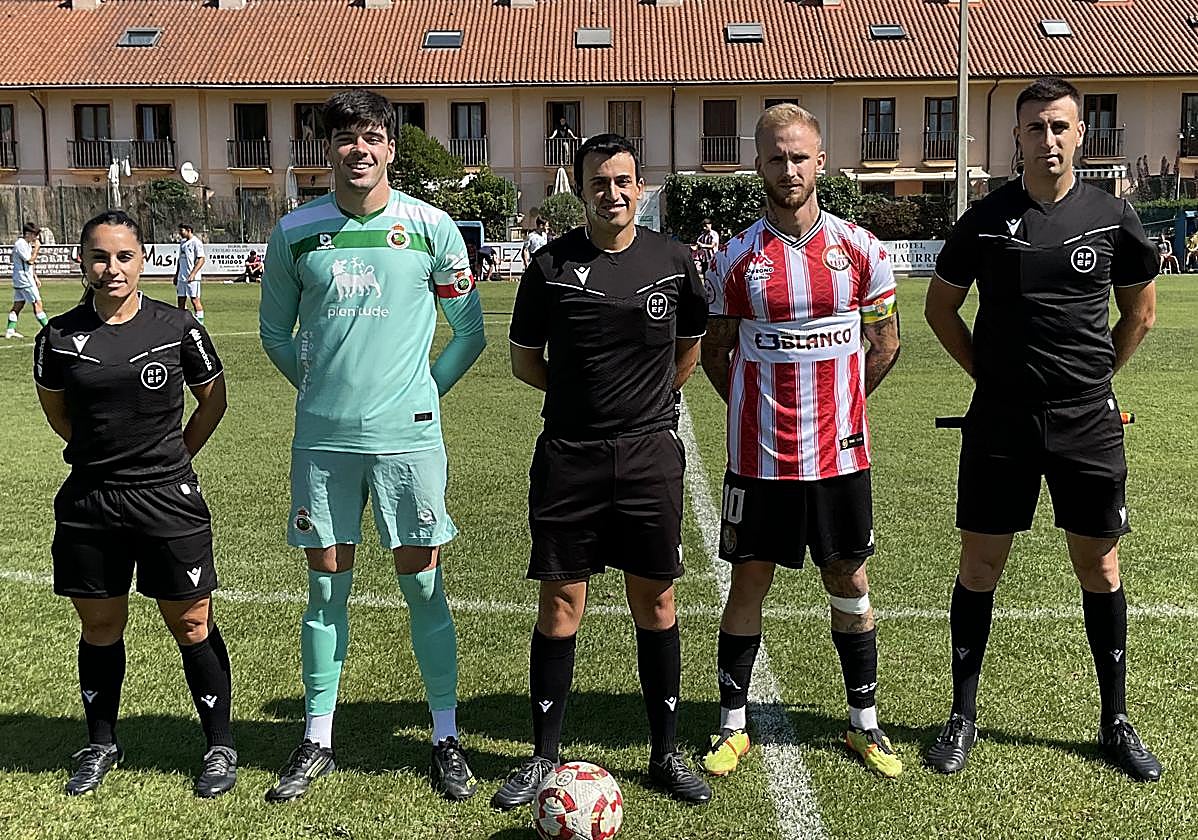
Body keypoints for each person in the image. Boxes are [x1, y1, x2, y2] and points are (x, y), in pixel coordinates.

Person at [923, 77, 1161, 782]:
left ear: (1080, 134)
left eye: (1060, 126)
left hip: (1088, 420)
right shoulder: (986, 217)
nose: (1048, 139)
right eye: (1036, 128)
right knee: (979, 568)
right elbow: (941, 311)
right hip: (1000, 420)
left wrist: (1092, 381)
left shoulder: (1113, 216)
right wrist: (989, 380)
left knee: (1101, 566)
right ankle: (962, 715)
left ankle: (1115, 718)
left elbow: (1140, 315)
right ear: (1017, 138)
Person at [259, 88, 487, 803]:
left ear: (391, 146)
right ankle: (317, 737)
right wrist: (323, 390)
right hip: (323, 444)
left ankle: (445, 734)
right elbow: (273, 334)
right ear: (328, 149)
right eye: (346, 138)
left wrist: (420, 400)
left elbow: (469, 331)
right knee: (325, 590)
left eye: (374, 136)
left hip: (407, 444)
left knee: (424, 587)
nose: (360, 149)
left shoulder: (432, 226)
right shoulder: (295, 231)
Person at [492, 133, 712, 809]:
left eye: (622, 181)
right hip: (570, 458)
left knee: (658, 603)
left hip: (648, 458)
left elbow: (690, 352)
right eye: (598, 182)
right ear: (580, 188)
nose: (611, 193)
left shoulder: (673, 261)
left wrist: (641, 405)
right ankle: (542, 756)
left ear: (639, 187)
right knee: (562, 607)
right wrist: (582, 400)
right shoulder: (550, 266)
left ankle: (666, 753)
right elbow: (527, 362)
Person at [699, 104, 902, 779]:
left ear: (821, 162)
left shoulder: (862, 251)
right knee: (748, 580)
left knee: (849, 577)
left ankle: (864, 724)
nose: (788, 169)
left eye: (799, 157)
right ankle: (732, 725)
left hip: (841, 458)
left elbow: (886, 344)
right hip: (760, 460)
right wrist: (750, 411)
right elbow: (716, 354)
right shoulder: (735, 257)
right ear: (757, 164)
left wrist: (845, 405)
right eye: (775, 157)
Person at [33, 210, 234, 797]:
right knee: (100, 624)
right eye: (100, 256)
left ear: (143, 260)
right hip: (91, 499)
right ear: (82, 262)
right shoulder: (60, 336)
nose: (112, 268)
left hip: (167, 497)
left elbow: (212, 400)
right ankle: (100, 743)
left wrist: (174, 459)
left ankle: (219, 744)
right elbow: (56, 409)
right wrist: (98, 455)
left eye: (124, 256)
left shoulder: (177, 327)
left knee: (192, 621)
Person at [8, 221, 49, 338]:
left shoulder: (25, 244)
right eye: (34, 234)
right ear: (27, 233)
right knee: (37, 303)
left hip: (23, 278)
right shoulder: (20, 244)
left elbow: (30, 264)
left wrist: (35, 277)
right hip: (24, 279)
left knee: (18, 304)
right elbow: (30, 260)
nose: (36, 237)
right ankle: (47, 329)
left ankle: (10, 331)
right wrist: (37, 249)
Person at [175, 223, 206, 323]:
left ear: (189, 230)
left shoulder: (196, 242)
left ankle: (200, 324)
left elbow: (201, 259)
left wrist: (193, 274)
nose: (180, 233)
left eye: (182, 231)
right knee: (181, 301)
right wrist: (176, 274)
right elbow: (180, 260)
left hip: (193, 278)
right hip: (181, 277)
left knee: (195, 300)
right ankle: (183, 323)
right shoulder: (183, 242)